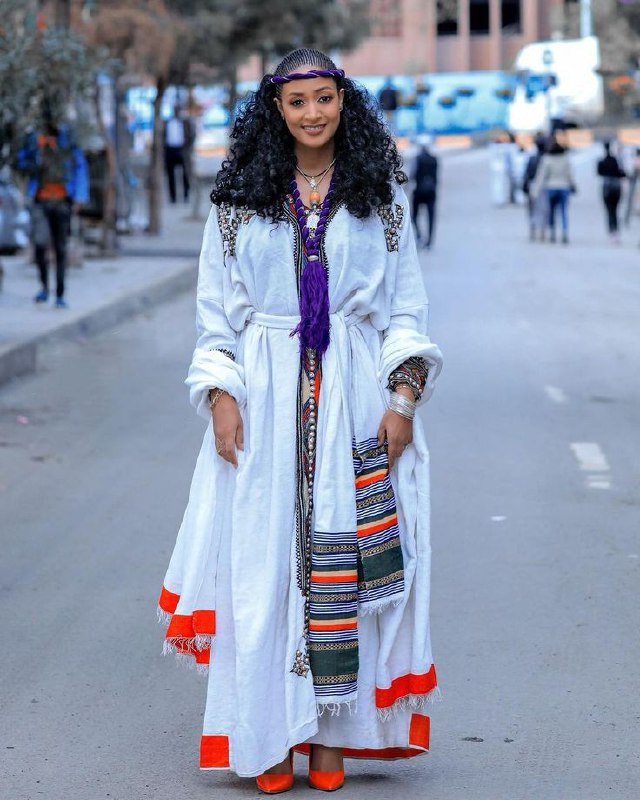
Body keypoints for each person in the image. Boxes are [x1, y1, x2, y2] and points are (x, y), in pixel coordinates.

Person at [158, 49, 443, 794]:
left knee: (338, 569)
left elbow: (405, 307)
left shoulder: (377, 195)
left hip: (351, 392)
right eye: (298, 103)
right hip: (262, 397)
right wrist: (221, 397)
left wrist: (402, 398)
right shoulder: (237, 201)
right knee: (263, 568)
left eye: (325, 99)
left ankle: (331, 741)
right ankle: (266, 735)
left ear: (343, 104)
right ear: (275, 112)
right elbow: (215, 315)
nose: (313, 113)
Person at [17, 120, 88, 308]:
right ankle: (43, 287)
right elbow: (22, 163)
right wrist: (35, 152)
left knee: (60, 248)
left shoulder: (68, 141)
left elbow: (80, 167)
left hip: (63, 202)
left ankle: (60, 293)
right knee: (40, 244)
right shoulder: (34, 142)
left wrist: (80, 195)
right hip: (40, 201)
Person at [531, 135, 575, 244]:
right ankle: (565, 232)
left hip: (551, 187)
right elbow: (570, 174)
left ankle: (552, 233)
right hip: (564, 187)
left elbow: (541, 177)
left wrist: (535, 191)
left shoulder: (547, 159)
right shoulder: (565, 159)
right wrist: (572, 185)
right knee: (563, 212)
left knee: (551, 212)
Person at [412, 135, 439, 248]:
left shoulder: (417, 159)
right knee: (431, 216)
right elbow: (436, 177)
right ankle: (429, 241)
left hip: (419, 191)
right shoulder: (434, 160)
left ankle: (419, 236)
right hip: (431, 191)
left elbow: (412, 174)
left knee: (414, 215)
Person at [596, 141, 626, 243]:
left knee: (609, 211)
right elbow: (622, 173)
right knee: (615, 211)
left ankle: (611, 232)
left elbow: (599, 172)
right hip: (616, 188)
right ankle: (616, 232)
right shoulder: (616, 161)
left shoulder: (602, 161)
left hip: (607, 187)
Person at [163, 105, 193, 204]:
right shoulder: (167, 122)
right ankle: (173, 197)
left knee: (185, 174)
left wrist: (188, 146)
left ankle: (186, 195)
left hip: (182, 150)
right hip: (170, 150)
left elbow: (191, 135)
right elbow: (162, 136)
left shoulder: (185, 122)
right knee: (170, 175)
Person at [522, 133, 548, 241]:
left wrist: (525, 186)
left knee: (532, 209)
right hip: (544, 187)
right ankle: (542, 231)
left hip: (533, 185)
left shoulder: (533, 158)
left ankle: (533, 230)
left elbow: (527, 174)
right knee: (544, 210)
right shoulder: (546, 159)